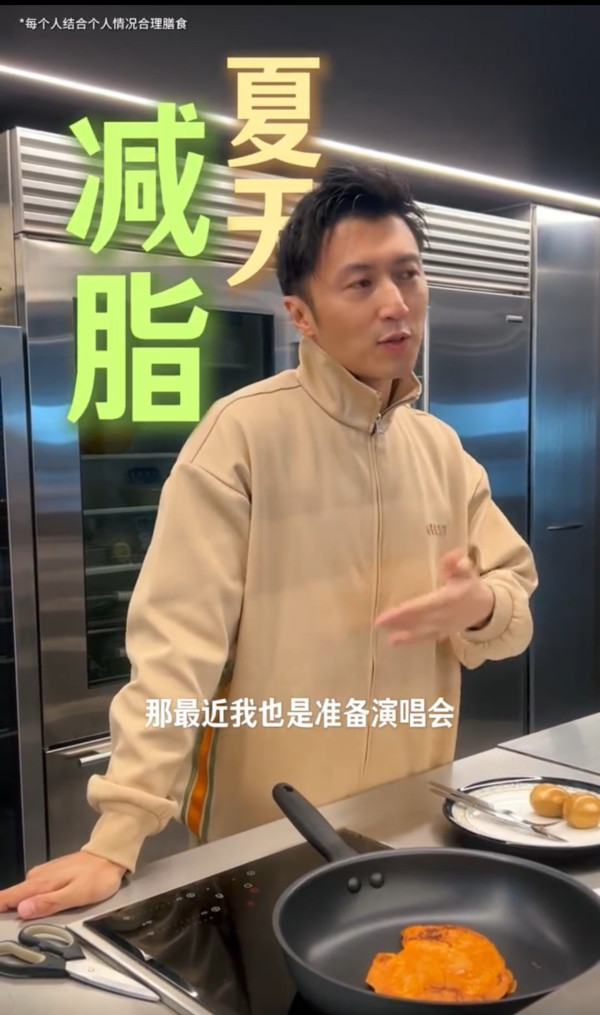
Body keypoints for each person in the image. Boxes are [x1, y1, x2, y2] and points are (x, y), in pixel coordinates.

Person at [0, 162, 537, 921]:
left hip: (410, 826)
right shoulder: (241, 438)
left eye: (407, 273)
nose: (395, 303)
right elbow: (176, 650)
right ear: (301, 315)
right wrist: (116, 838)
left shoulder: (443, 451)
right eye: (360, 283)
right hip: (266, 843)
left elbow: (515, 600)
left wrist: (479, 605)